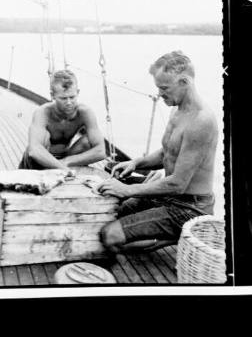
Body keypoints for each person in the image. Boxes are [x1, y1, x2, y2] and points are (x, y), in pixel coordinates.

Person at [98, 50, 218, 253]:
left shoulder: (201, 121)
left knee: (109, 236)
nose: (159, 94)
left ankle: (173, 238)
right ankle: (168, 232)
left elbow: (178, 183)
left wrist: (127, 189)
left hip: (189, 208)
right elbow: (167, 152)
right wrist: (136, 163)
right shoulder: (177, 108)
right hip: (167, 196)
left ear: (184, 82)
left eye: (164, 88)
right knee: (115, 212)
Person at [19, 69, 106, 172]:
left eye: (72, 97)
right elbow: (34, 151)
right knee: (44, 136)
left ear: (77, 92)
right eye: (63, 98)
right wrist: (63, 168)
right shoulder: (42, 112)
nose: (69, 103)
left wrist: (67, 161)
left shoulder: (85, 112)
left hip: (65, 157)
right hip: (40, 160)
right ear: (52, 95)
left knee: (88, 141)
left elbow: (101, 151)